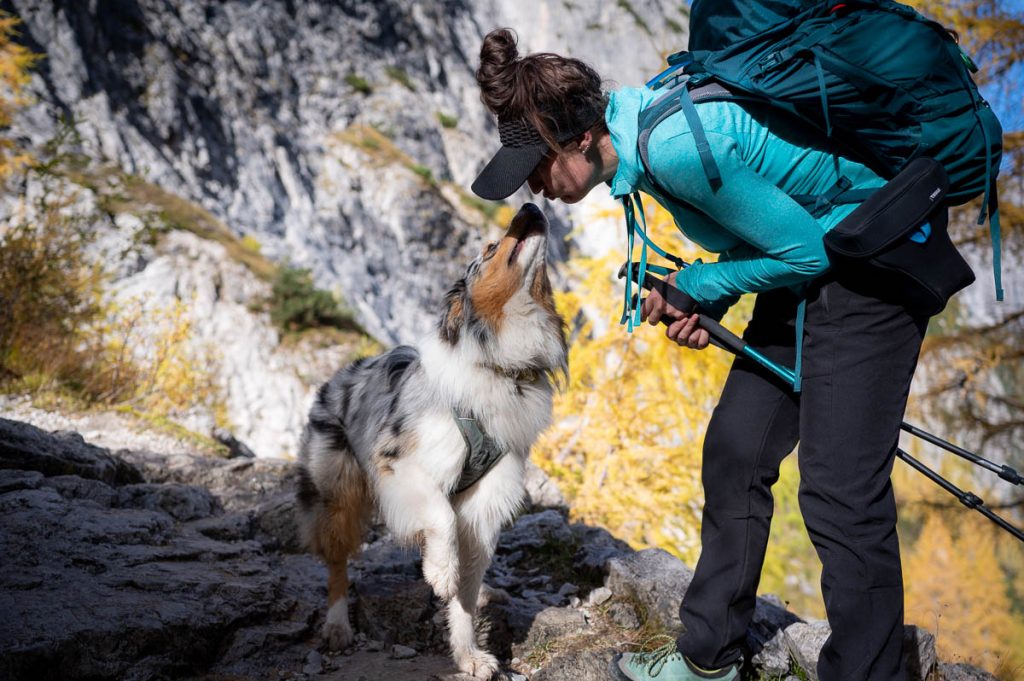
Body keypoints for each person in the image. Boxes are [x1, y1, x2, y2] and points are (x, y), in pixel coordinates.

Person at [470, 28, 927, 681]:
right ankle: (709, 657)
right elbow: (776, 232)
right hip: (818, 268)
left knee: (838, 487)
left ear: (577, 140)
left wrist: (698, 286)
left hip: (873, 258)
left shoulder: (672, 146)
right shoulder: (643, 133)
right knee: (737, 449)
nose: (535, 189)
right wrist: (704, 299)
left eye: (536, 168)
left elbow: (808, 248)